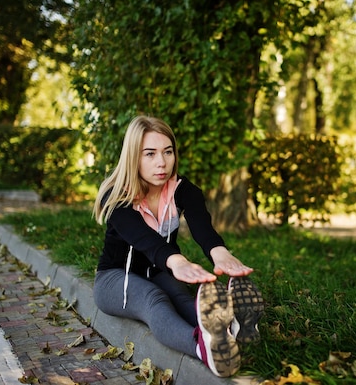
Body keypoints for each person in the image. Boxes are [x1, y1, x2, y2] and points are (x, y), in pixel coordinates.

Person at [92, 115, 264, 377]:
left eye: (168, 152)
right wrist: (177, 262)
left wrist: (220, 253)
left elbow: (202, 228)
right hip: (114, 278)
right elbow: (144, 239)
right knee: (155, 300)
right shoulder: (116, 196)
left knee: (183, 298)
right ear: (133, 157)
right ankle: (202, 347)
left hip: (157, 271)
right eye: (149, 154)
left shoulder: (183, 190)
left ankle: (232, 332)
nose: (162, 162)